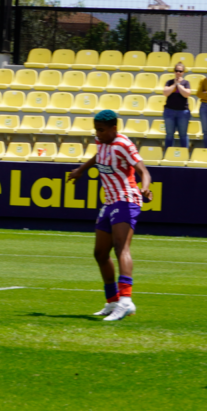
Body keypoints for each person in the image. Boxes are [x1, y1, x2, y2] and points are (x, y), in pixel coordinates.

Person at [66, 109, 153, 322]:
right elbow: (99, 156)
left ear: (114, 128)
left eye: (102, 130)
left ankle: (126, 301)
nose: (98, 134)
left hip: (127, 198)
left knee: (121, 246)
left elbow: (143, 171)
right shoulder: (101, 140)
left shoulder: (124, 144)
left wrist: (146, 188)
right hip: (110, 201)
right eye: (96, 130)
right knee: (100, 253)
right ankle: (112, 301)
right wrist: (81, 170)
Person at [162, 61, 191, 148]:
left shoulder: (186, 83)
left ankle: (184, 154)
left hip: (183, 112)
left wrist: (179, 85)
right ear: (174, 71)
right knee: (169, 135)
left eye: (180, 71)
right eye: (177, 70)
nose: (178, 73)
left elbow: (186, 94)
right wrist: (174, 84)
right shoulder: (169, 82)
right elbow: (165, 93)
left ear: (183, 72)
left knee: (183, 134)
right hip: (169, 111)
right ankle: (168, 153)